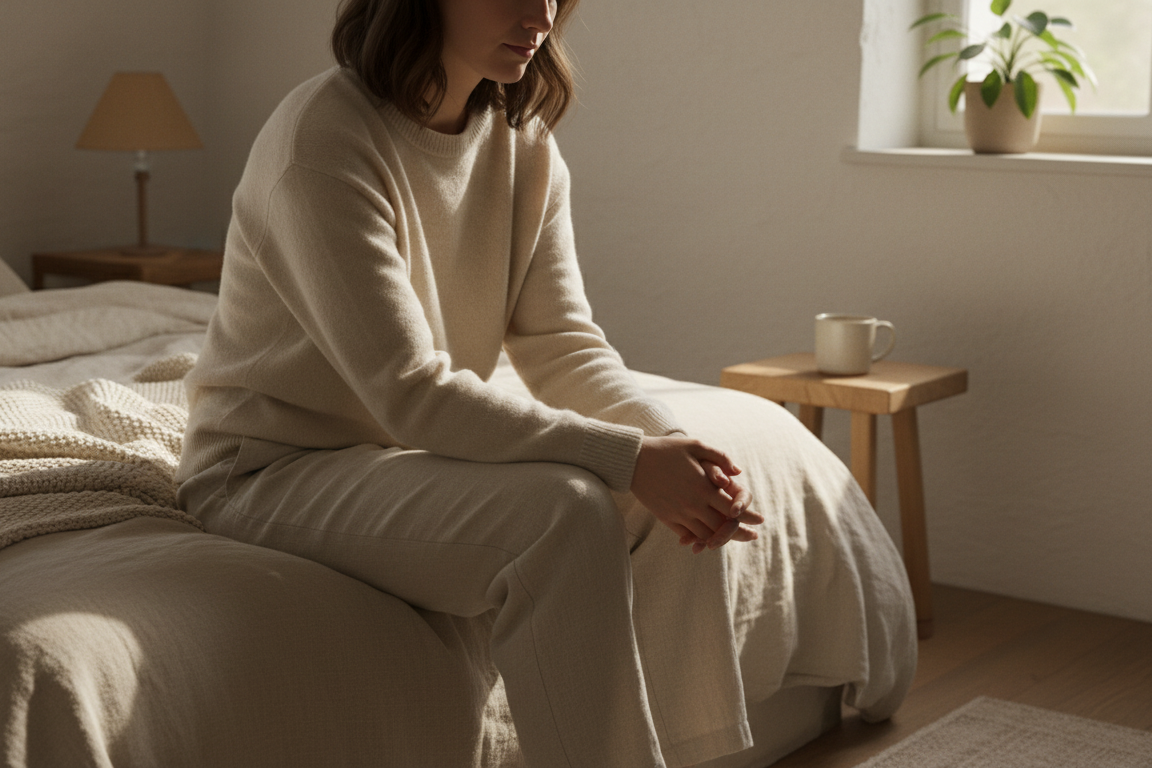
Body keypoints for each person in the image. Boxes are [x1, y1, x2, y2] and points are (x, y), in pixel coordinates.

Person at [176, 0, 765, 765]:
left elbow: (563, 347)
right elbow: (411, 390)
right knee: (567, 512)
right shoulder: (323, 138)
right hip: (267, 470)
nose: (542, 16)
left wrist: (666, 442)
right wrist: (626, 457)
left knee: (662, 491)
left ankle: (688, 754)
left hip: (394, 456)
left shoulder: (525, 144)